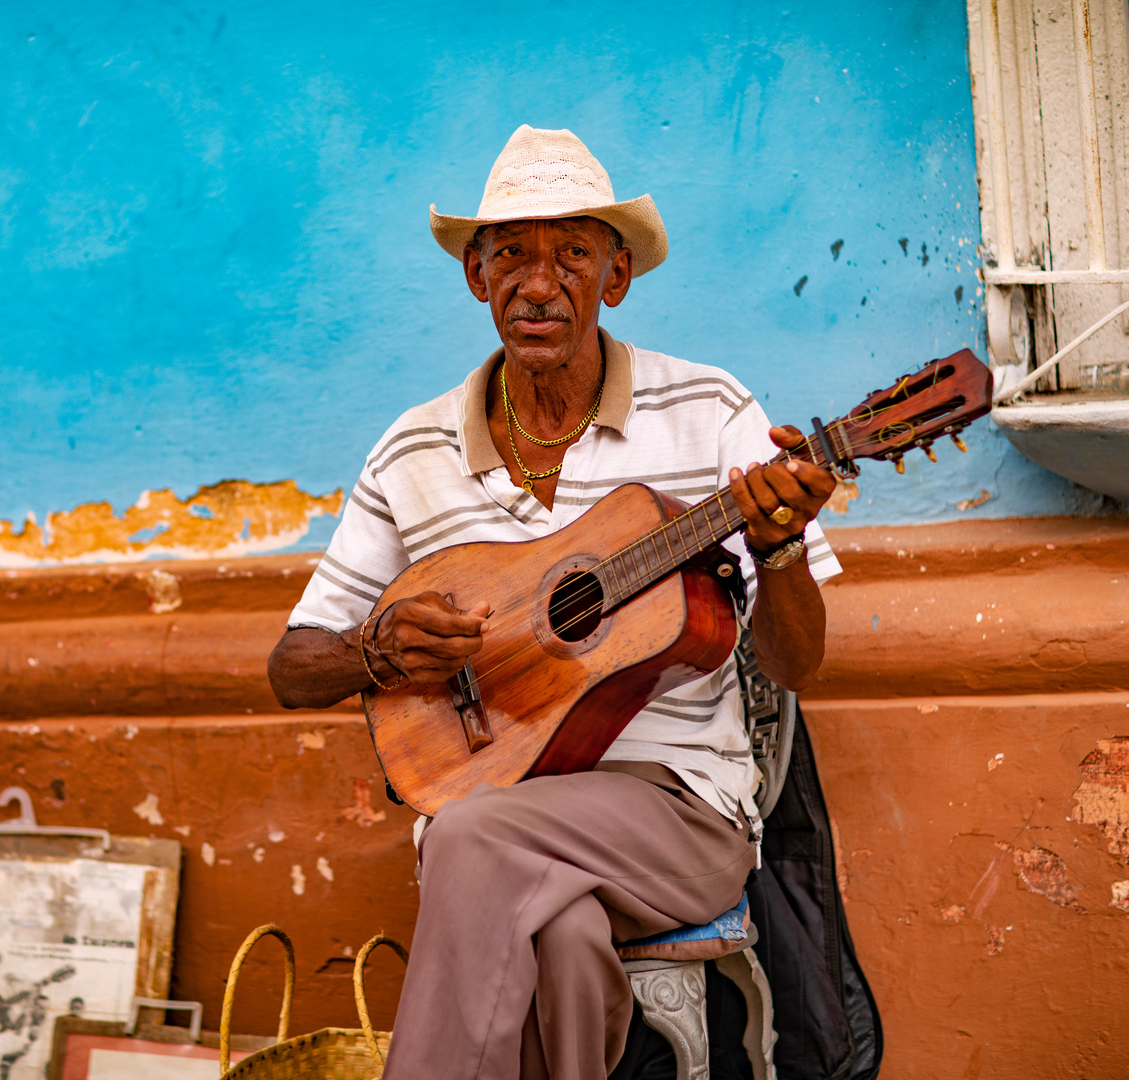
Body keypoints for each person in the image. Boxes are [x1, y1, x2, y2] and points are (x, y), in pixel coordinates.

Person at [267, 125, 840, 1080]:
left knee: (471, 840)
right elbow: (290, 667)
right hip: (496, 798)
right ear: (476, 280)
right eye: (513, 257)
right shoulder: (412, 450)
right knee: (562, 938)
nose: (540, 283)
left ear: (616, 278)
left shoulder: (709, 412)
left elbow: (797, 664)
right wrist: (377, 649)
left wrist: (775, 550)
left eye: (572, 254)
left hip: (678, 817)